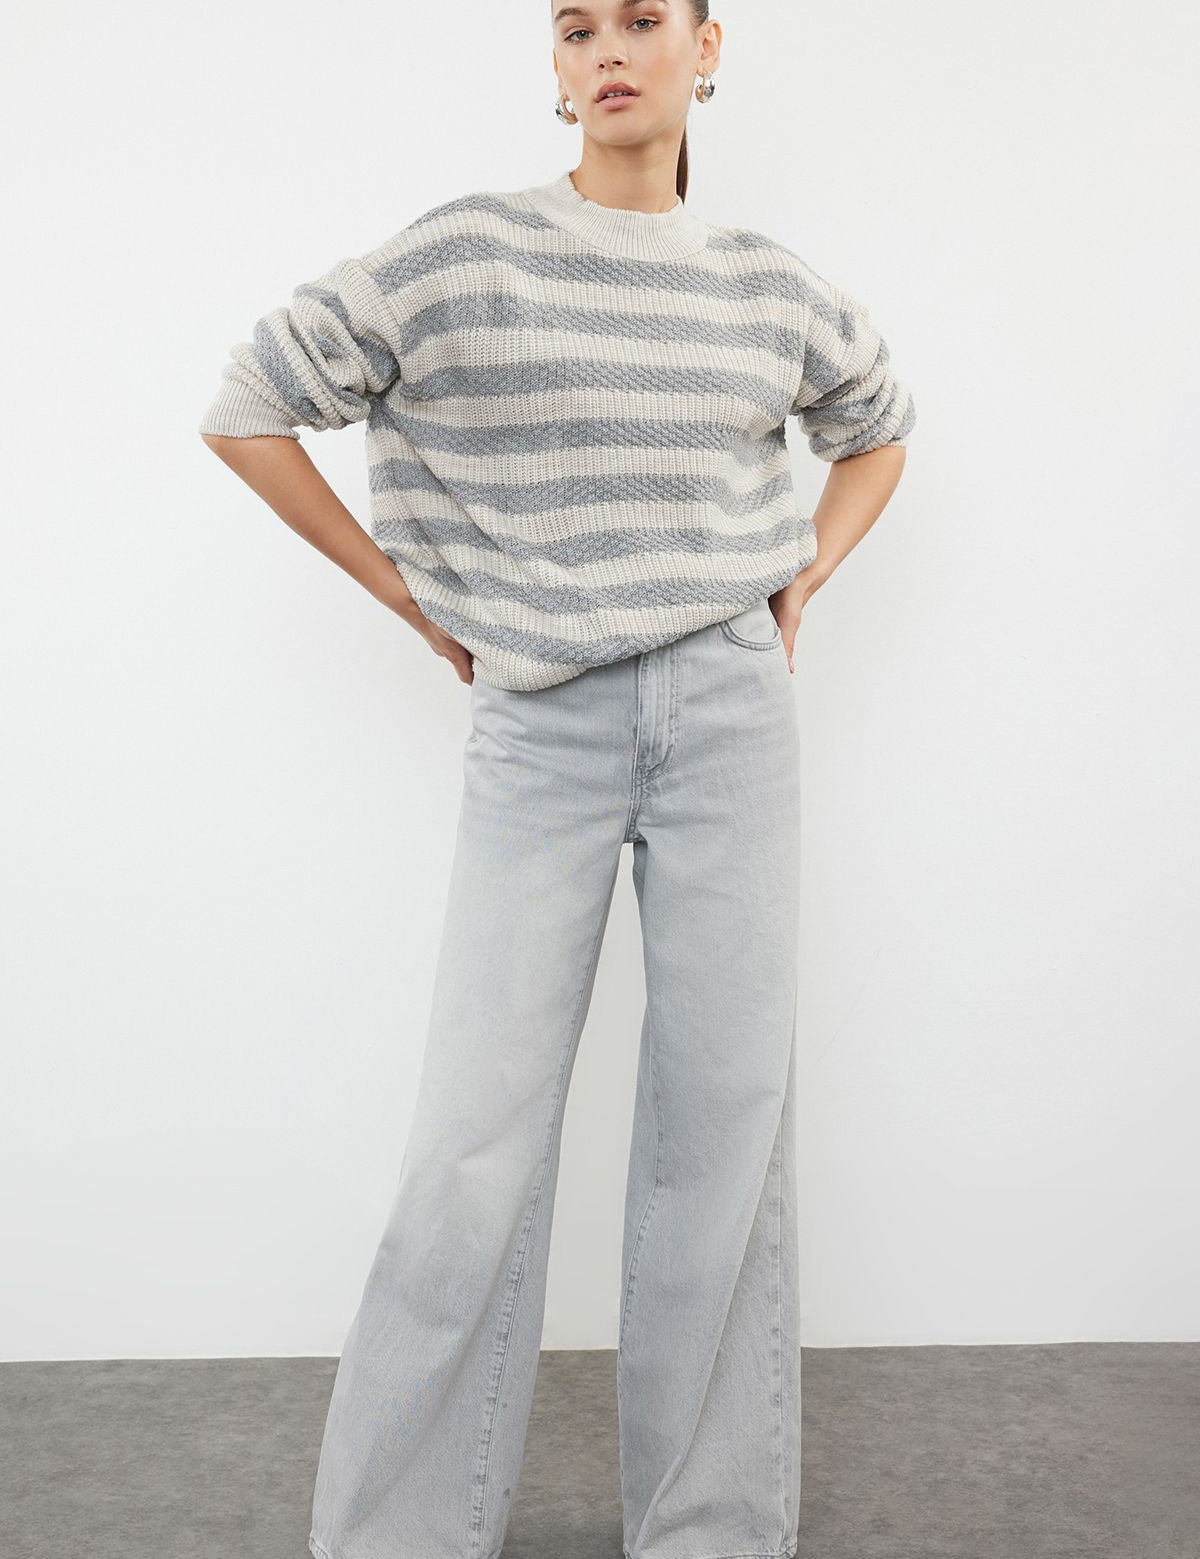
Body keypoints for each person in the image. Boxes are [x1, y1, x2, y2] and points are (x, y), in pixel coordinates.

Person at [199, 4, 915, 1556]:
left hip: (731, 712)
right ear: (553, 65)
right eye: (578, 25)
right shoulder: (470, 254)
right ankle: (398, 1534)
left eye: (644, 19)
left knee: (725, 1128)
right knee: (475, 1141)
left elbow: (880, 429)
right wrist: (407, 595)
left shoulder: (766, 283)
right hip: (542, 720)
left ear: (708, 47)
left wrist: (805, 580)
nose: (610, 49)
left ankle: (711, 1529)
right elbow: (248, 400)